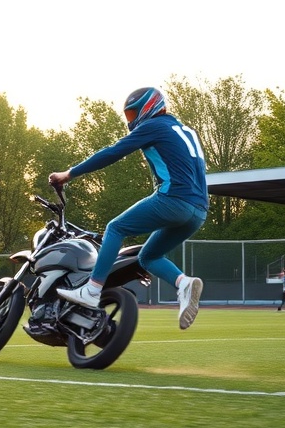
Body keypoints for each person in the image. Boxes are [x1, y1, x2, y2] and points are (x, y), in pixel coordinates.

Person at [49, 87, 208, 330]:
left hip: (173, 199)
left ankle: (92, 290)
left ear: (150, 106)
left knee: (115, 227)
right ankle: (184, 283)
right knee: (148, 256)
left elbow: (113, 152)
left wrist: (68, 174)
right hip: (198, 211)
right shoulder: (186, 130)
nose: (132, 121)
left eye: (133, 114)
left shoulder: (154, 126)